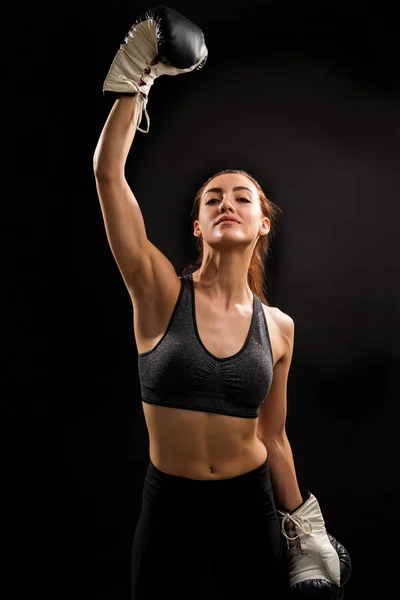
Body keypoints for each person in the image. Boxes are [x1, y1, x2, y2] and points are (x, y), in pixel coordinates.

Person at [93, 6, 351, 599]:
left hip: (249, 505)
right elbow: (109, 176)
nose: (227, 203)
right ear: (198, 225)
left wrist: (307, 526)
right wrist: (137, 81)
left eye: (242, 196)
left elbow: (275, 437)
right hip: (171, 506)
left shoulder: (279, 328)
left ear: (264, 223)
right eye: (212, 198)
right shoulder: (158, 293)